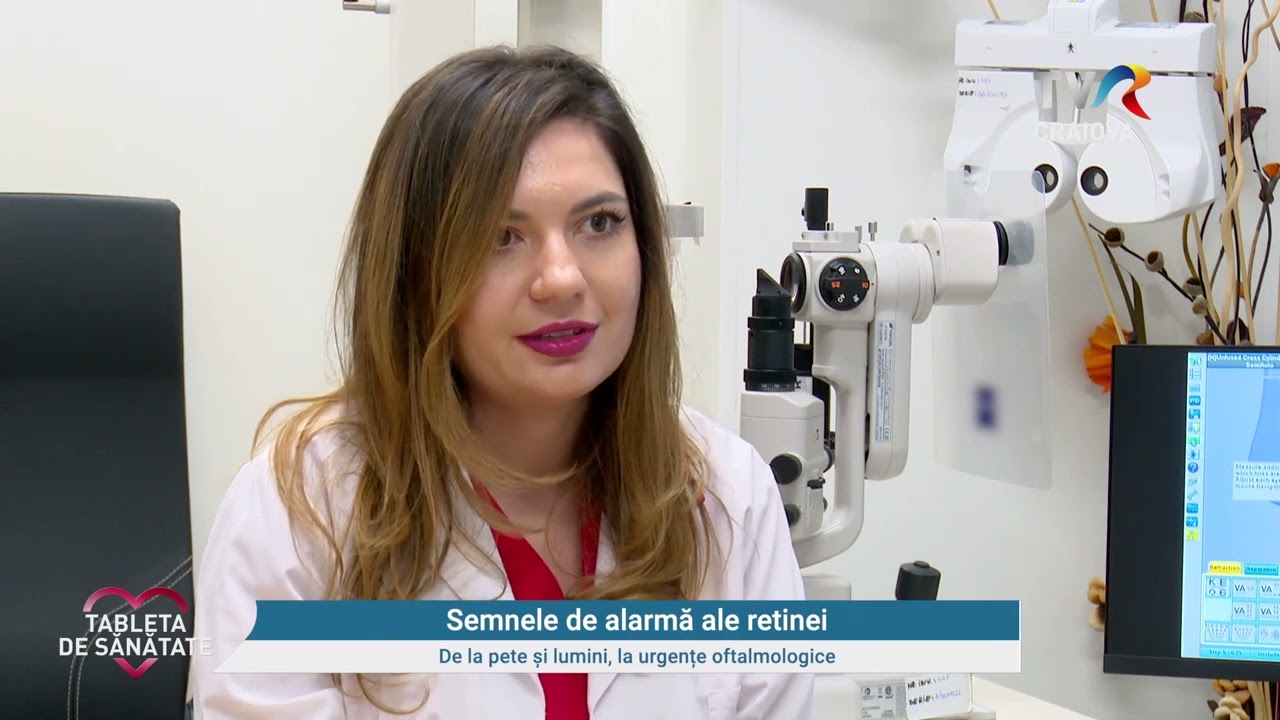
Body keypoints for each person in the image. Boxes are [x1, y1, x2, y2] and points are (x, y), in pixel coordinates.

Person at [189, 44, 814, 720]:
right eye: (500, 237)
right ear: (415, 270)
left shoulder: (729, 497)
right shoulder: (301, 509)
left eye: (599, 223)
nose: (562, 279)